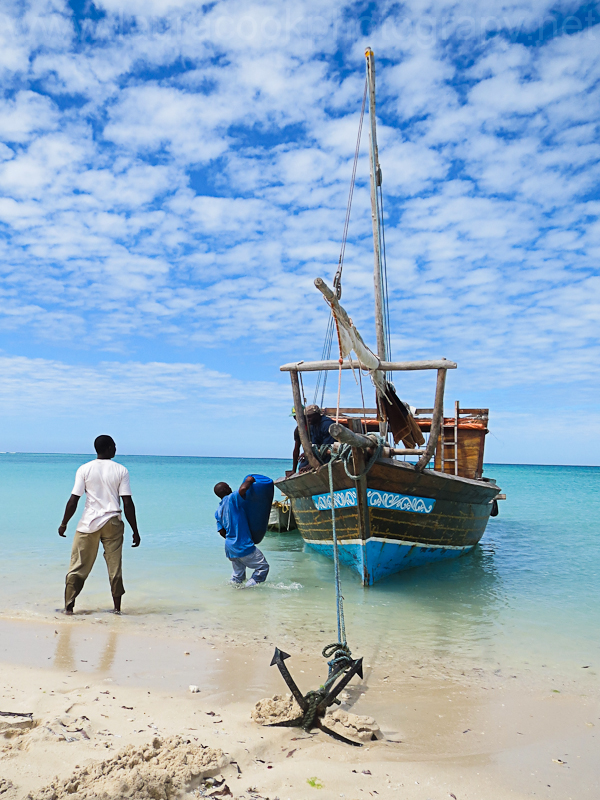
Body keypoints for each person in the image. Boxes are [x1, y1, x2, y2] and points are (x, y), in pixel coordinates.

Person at [58, 435, 140, 615]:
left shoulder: (84, 469)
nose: (116, 449)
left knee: (78, 565)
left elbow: (74, 500)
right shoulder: (121, 470)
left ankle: (69, 607)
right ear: (110, 448)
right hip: (113, 522)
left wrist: (64, 523)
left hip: (89, 523)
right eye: (115, 446)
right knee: (114, 565)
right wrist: (135, 530)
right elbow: (127, 503)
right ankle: (117, 609)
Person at [213, 476, 269, 588]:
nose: (230, 488)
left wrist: (233, 539)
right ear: (225, 490)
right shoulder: (232, 498)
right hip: (243, 545)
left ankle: (234, 594)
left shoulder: (218, 511)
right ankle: (248, 588)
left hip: (230, 548)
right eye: (228, 487)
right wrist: (249, 480)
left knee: (238, 575)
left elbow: (221, 532)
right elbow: (243, 489)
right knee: (263, 567)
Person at [295, 404, 335, 472]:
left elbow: (326, 448)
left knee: (321, 465)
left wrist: (312, 464)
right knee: (302, 466)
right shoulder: (312, 426)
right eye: (306, 417)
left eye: (310, 417)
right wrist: (307, 454)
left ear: (317, 415)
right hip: (319, 452)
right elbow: (314, 444)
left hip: (330, 454)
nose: (308, 420)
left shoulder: (327, 425)